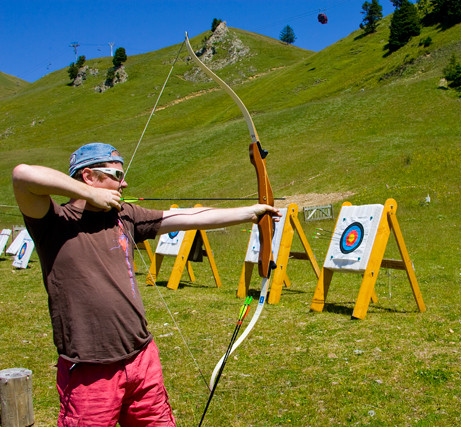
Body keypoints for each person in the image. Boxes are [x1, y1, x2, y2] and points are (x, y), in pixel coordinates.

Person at [12, 142, 280, 426]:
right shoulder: (53, 221)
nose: (123, 182)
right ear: (88, 176)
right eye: (115, 175)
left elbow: (185, 218)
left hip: (142, 358)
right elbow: (23, 175)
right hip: (90, 369)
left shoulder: (124, 215)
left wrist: (250, 212)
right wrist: (89, 194)